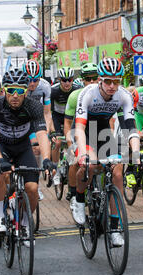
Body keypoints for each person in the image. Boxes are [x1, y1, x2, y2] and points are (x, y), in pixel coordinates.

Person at [73, 57, 140, 246]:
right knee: (91, 165)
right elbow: (79, 128)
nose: (112, 86)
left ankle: (115, 227)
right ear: (99, 80)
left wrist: (135, 153)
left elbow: (130, 128)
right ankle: (78, 200)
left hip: (103, 131)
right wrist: (83, 153)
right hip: (84, 131)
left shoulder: (124, 96)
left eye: (116, 82)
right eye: (108, 81)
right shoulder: (87, 93)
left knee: (117, 170)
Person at [0, 68, 54, 234]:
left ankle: (23, 223)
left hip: (23, 148)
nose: (15, 95)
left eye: (19, 91)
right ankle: (0, 215)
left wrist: (46, 159)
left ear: (26, 91)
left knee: (32, 188)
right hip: (2, 146)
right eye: (10, 91)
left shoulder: (34, 106)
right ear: (4, 91)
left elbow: (42, 135)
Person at [63, 62, 99, 214]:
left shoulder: (105, 94)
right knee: (75, 161)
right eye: (88, 79)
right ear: (83, 80)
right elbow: (68, 122)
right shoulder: (75, 96)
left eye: (94, 79)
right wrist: (70, 144)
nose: (91, 82)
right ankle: (73, 192)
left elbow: (111, 122)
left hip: (98, 130)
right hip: (78, 130)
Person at [23, 59, 52, 200]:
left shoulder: (45, 87)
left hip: (36, 118)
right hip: (22, 120)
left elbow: (47, 113)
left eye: (36, 80)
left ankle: (36, 185)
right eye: (29, 80)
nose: (32, 83)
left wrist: (45, 132)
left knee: (37, 148)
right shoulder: (20, 87)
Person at [50, 67, 80, 186]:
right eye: (64, 80)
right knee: (57, 142)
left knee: (72, 142)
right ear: (59, 80)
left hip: (71, 118)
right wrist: (52, 131)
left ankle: (69, 163)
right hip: (57, 117)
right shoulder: (53, 90)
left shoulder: (78, 89)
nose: (67, 83)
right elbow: (49, 113)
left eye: (70, 80)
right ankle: (55, 170)